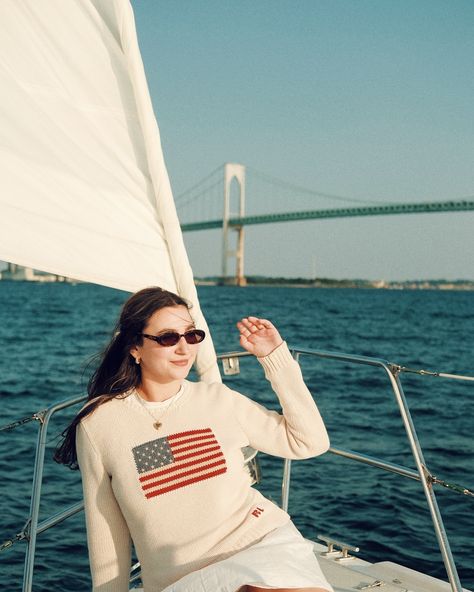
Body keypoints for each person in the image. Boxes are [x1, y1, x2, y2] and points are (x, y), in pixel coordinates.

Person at [55, 287, 333, 592]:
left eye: (191, 335)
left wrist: (275, 359)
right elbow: (106, 530)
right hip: (183, 578)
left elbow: (310, 442)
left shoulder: (217, 399)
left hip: (260, 542)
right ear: (135, 347)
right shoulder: (100, 423)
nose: (184, 348)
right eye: (168, 338)